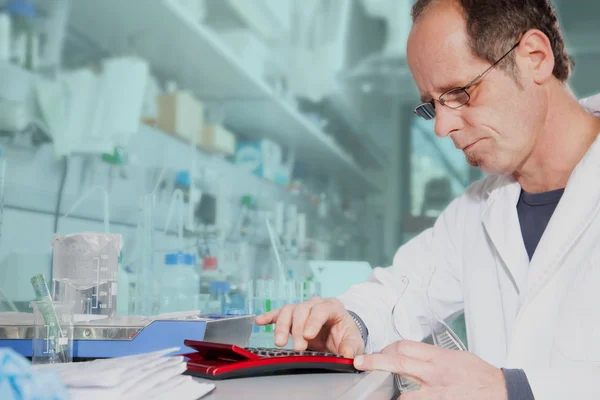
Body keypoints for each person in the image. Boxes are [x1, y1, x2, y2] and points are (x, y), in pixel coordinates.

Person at [257, 0, 600, 399]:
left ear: (534, 58)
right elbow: (400, 292)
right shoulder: (476, 211)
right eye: (430, 105)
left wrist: (514, 389)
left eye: (459, 93)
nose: (442, 126)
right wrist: (349, 321)